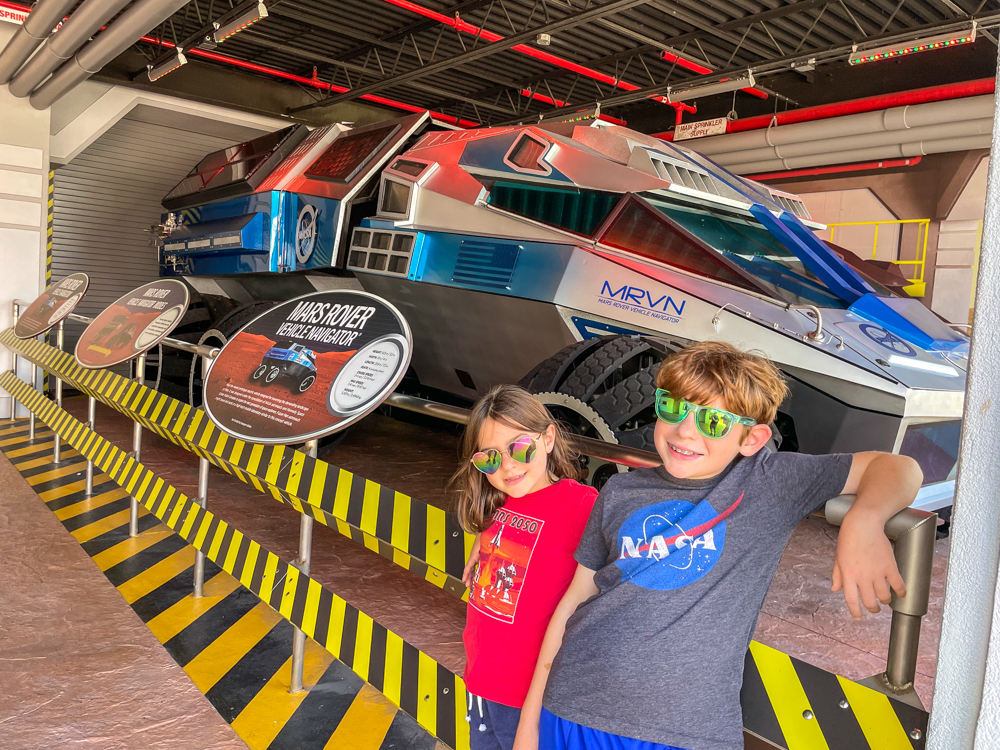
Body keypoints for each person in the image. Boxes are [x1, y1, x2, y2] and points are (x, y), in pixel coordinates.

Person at [513, 341, 922, 750]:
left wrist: (864, 521)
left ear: (752, 438)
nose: (685, 430)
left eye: (713, 421)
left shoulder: (769, 483)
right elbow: (576, 601)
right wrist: (529, 722)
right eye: (673, 407)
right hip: (570, 708)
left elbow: (900, 468)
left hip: (685, 730)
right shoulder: (620, 489)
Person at [453, 384, 599, 750]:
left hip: (533, 697)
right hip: (482, 685)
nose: (508, 466)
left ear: (548, 438)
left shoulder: (582, 505)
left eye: (519, 448)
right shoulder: (497, 505)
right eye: (489, 458)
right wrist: (481, 538)